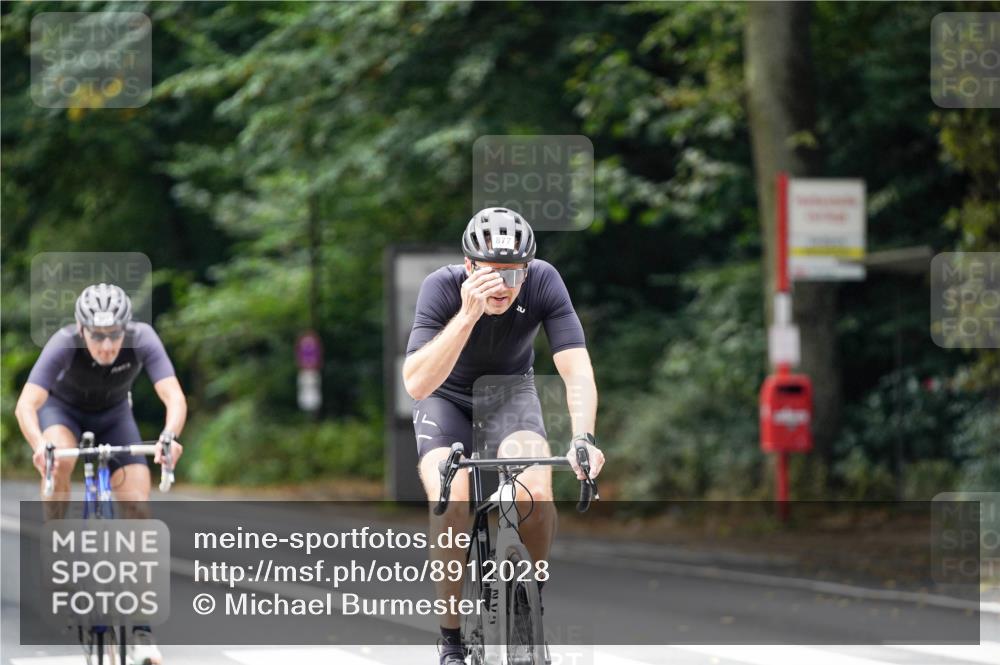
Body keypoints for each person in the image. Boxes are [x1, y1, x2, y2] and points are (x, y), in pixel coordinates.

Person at [402, 207, 605, 665]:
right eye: (492, 274)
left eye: (514, 274)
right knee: (452, 497)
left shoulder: (544, 282)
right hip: (446, 399)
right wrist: (467, 316)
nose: (504, 286)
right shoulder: (440, 286)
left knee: (535, 486)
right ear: (470, 267)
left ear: (529, 268)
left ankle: (528, 602)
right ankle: (450, 637)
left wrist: (584, 438)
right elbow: (416, 383)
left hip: (509, 396)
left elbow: (576, 370)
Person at [14, 283, 186, 665]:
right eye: (97, 337)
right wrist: (39, 445)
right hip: (63, 414)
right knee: (60, 459)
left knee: (138, 509)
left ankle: (140, 629)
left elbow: (173, 395)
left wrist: (169, 436)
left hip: (114, 418)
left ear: (127, 329)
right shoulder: (62, 343)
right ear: (81, 329)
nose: (107, 346)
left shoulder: (143, 339)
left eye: (114, 336)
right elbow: (27, 405)